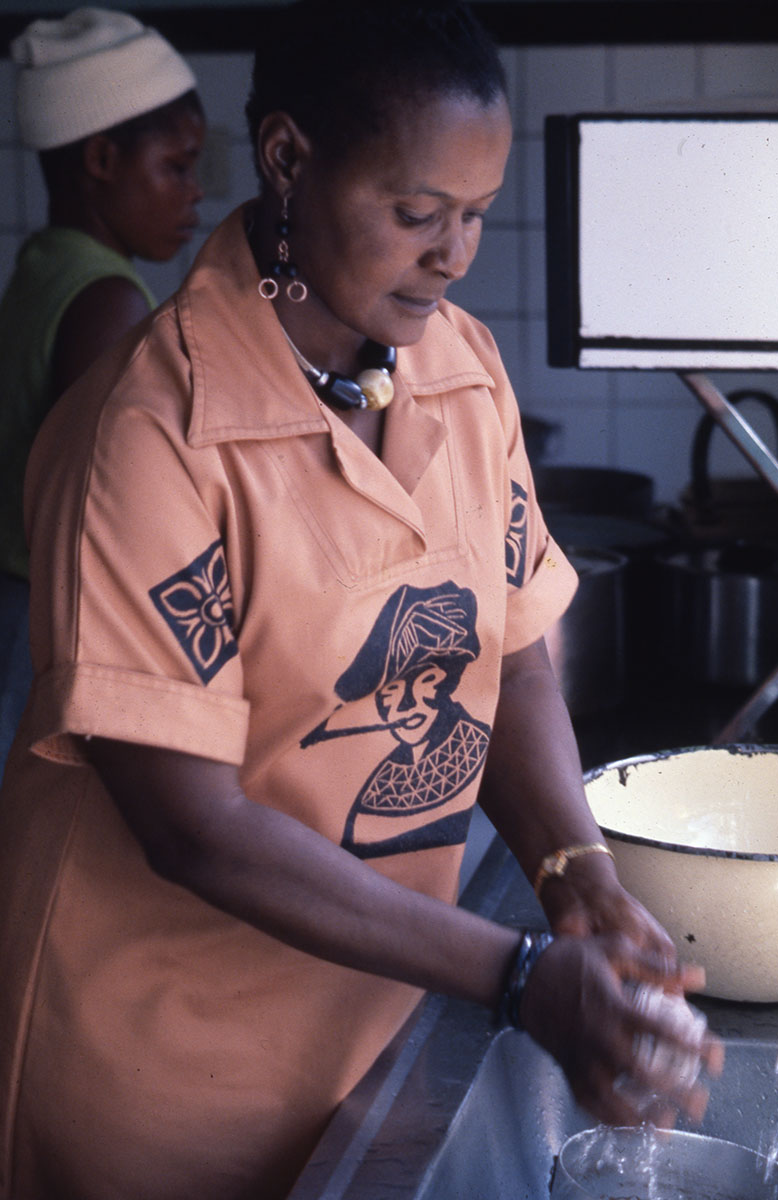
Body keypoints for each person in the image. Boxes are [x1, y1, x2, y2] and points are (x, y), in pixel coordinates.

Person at [0, 4, 721, 1199]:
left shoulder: (462, 371)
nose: (454, 254)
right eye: (415, 213)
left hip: (374, 1031)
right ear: (288, 160)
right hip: (158, 1077)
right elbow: (194, 826)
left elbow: (515, 655)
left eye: (476, 215)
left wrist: (573, 867)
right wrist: (516, 973)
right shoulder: (150, 430)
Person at [0, 7, 205, 777]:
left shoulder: (46, 264)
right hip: (37, 611)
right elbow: (113, 498)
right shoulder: (108, 301)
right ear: (102, 158)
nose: (193, 194)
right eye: (176, 167)